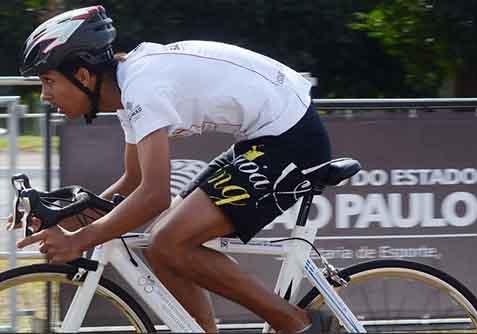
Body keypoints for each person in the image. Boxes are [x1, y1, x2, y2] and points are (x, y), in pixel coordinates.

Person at [14, 6, 332, 333]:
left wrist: (80, 238)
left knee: (170, 241)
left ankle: (298, 324)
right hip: (264, 136)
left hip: (292, 137)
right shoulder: (126, 92)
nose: (44, 95)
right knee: (161, 245)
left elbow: (154, 195)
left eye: (49, 81)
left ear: (82, 76)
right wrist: (66, 214)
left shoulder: (142, 88)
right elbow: (133, 180)